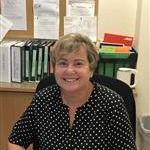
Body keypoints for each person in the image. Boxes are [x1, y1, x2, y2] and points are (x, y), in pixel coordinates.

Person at [8, 33, 136, 150]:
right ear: (54, 68)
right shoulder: (43, 99)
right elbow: (16, 141)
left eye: (78, 64)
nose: (69, 70)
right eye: (63, 63)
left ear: (91, 69)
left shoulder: (111, 104)